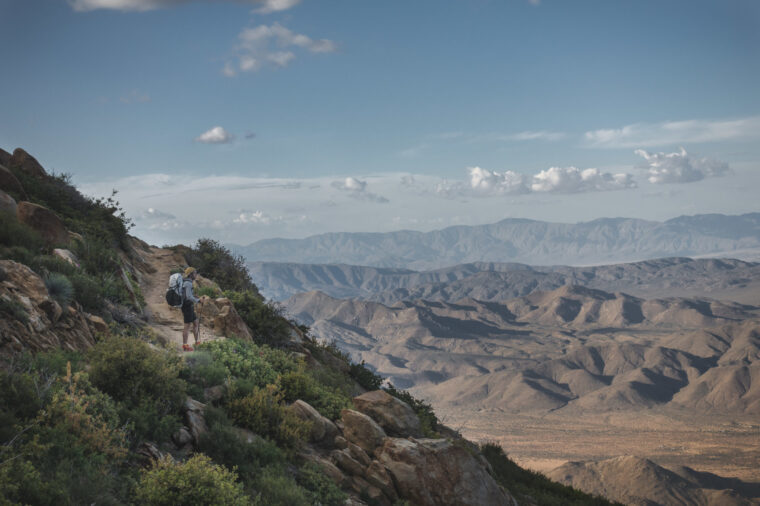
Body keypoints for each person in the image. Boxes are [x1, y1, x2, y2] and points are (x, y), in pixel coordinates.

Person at [181, 267, 202, 351]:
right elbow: (189, 297)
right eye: (195, 273)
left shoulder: (188, 282)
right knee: (187, 326)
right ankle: (185, 346)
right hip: (187, 306)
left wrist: (195, 298)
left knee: (196, 322)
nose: (196, 275)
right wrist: (198, 300)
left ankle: (197, 342)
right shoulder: (188, 283)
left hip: (189, 306)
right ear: (191, 274)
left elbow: (188, 295)